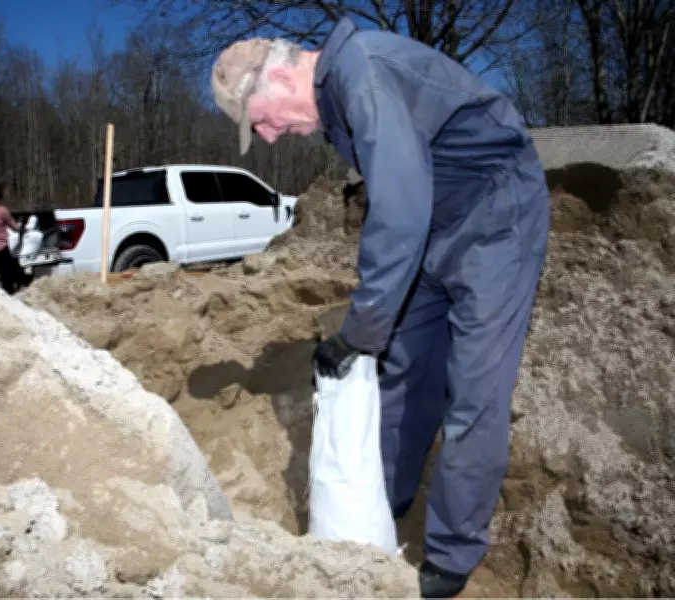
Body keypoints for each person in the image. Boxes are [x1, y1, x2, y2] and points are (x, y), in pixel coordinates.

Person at [210, 17, 550, 599]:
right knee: (403, 370)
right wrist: (371, 330)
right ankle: (381, 498)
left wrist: (358, 329)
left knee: (474, 391)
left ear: (280, 78)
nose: (267, 137)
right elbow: (406, 205)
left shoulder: (362, 76)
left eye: (259, 120)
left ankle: (451, 552)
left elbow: (398, 211)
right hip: (437, 224)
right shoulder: (340, 96)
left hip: (497, 215)